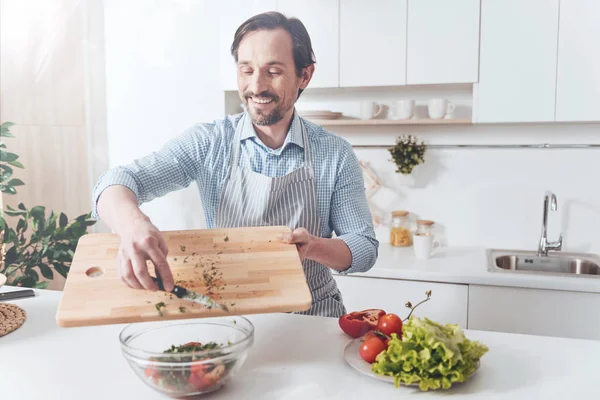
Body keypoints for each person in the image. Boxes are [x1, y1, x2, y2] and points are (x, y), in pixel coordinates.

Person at [92, 11, 378, 318]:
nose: (257, 86)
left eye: (273, 71)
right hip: (231, 315)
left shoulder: (334, 153)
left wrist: (313, 248)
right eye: (247, 70)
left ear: (304, 75)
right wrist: (132, 225)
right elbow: (116, 181)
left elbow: (363, 248)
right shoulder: (209, 142)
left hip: (312, 314)